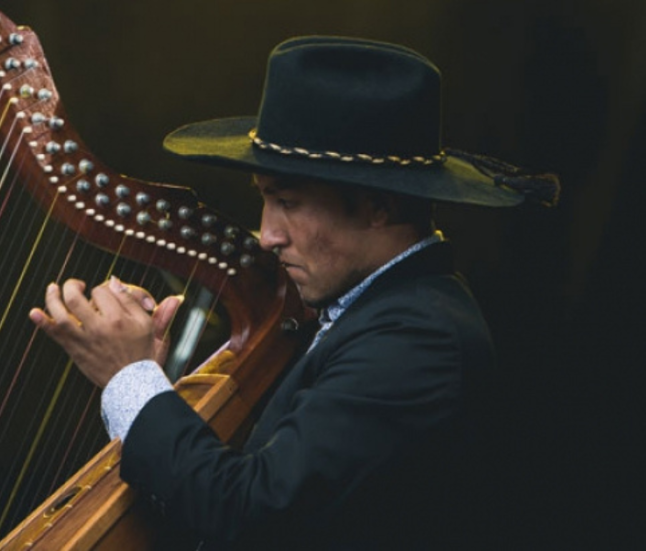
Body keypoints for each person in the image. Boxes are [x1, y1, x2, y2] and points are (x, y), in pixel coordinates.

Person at [28, 36, 558, 549]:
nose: (269, 233)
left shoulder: (420, 338)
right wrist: (150, 383)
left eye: (289, 202)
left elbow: (251, 513)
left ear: (381, 206)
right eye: (265, 200)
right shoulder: (369, 310)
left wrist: (130, 376)